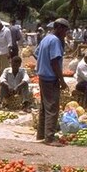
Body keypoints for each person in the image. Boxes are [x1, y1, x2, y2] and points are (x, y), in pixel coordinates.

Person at [34, 18, 70, 146]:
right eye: (65, 29)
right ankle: (49, 138)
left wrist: (42, 64)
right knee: (52, 108)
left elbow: (36, 53)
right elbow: (55, 62)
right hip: (50, 78)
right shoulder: (55, 41)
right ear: (59, 28)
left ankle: (41, 134)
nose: (66, 33)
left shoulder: (46, 38)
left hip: (42, 77)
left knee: (44, 106)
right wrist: (61, 80)